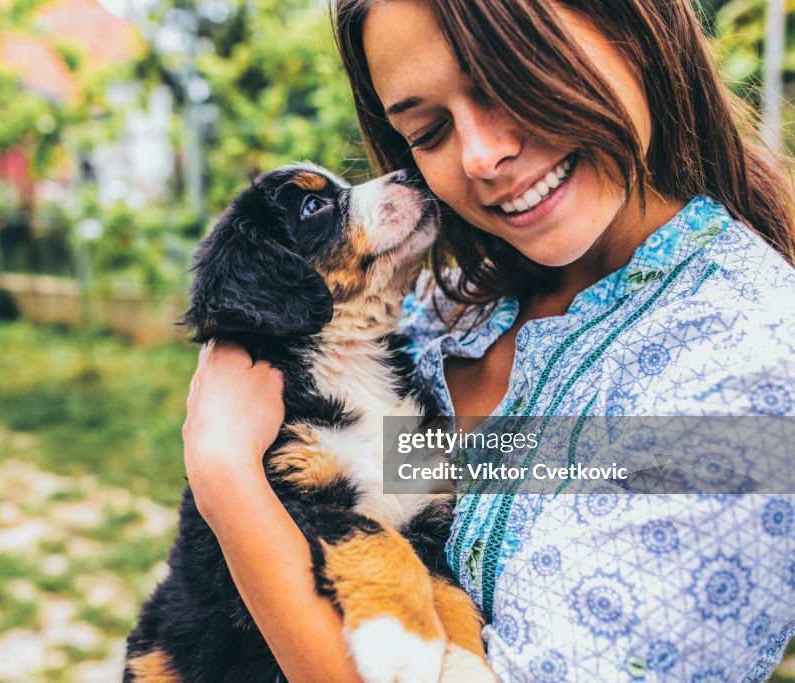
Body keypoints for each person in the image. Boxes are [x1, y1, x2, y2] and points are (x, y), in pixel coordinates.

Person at [181, 0, 795, 680]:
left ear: (636, 30)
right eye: (428, 129)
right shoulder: (455, 303)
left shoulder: (756, 371)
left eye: (508, 79)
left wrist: (228, 481)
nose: (481, 156)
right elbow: (382, 499)